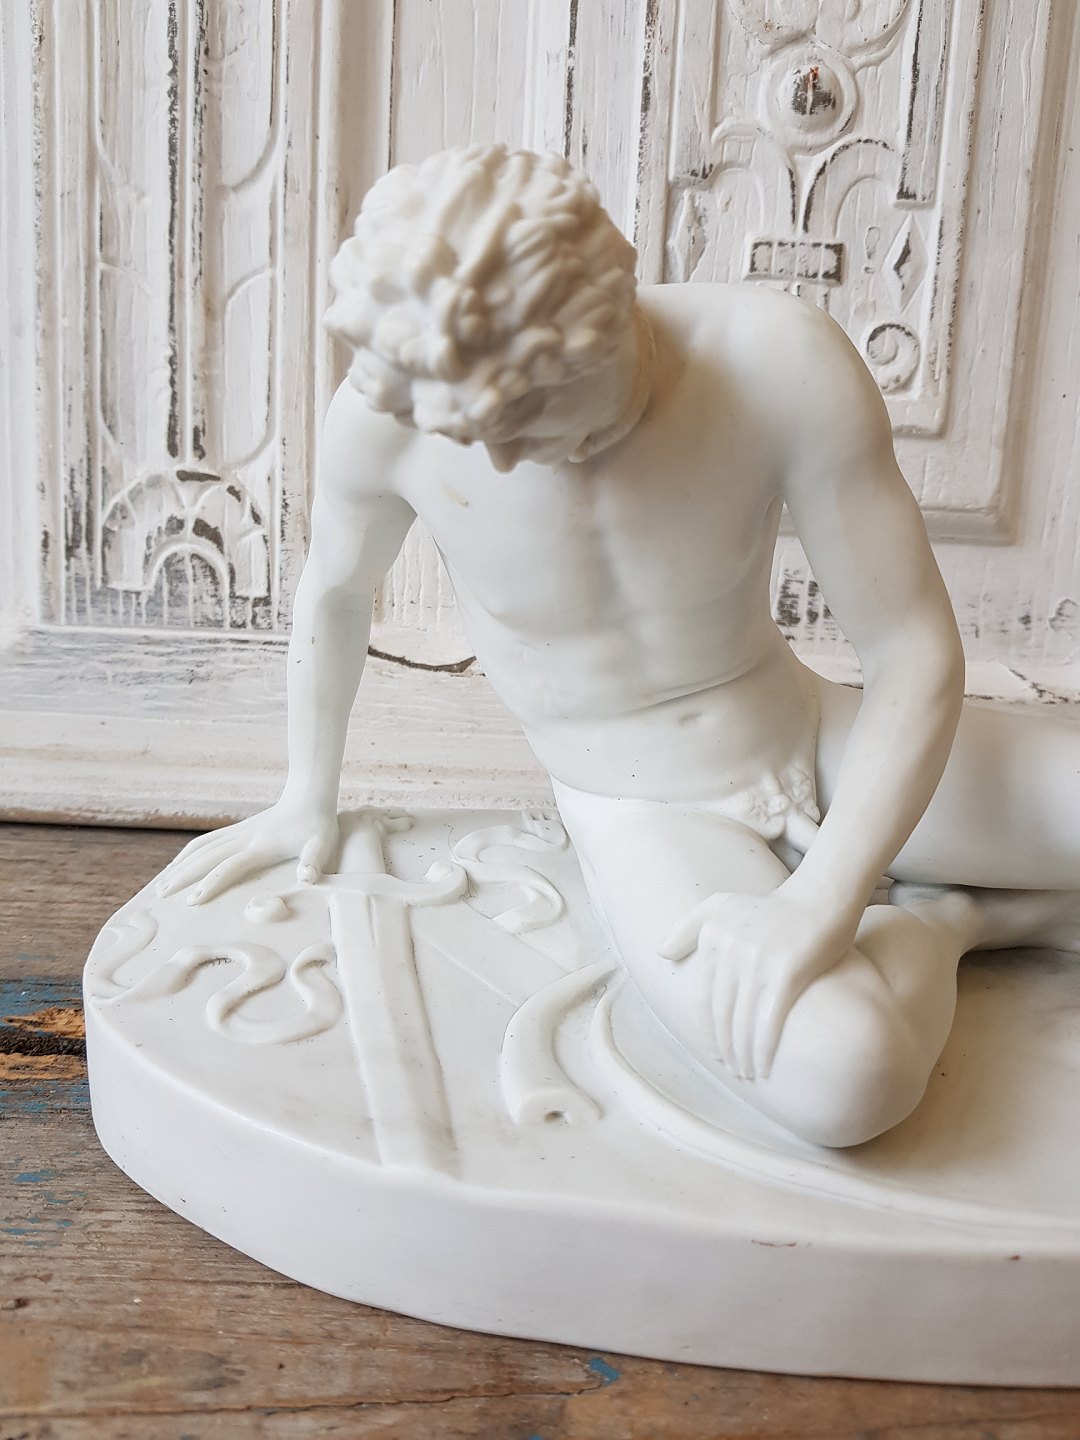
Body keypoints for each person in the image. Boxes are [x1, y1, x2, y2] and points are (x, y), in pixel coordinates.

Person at [159, 145, 1080, 1148]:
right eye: (475, 432)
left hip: (809, 732)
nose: (503, 455)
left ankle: (920, 894)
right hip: (641, 809)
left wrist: (824, 896)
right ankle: (952, 921)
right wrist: (306, 794)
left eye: (532, 412)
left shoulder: (775, 361)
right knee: (847, 1078)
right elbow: (335, 593)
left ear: (609, 315)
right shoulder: (392, 422)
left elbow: (910, 650)